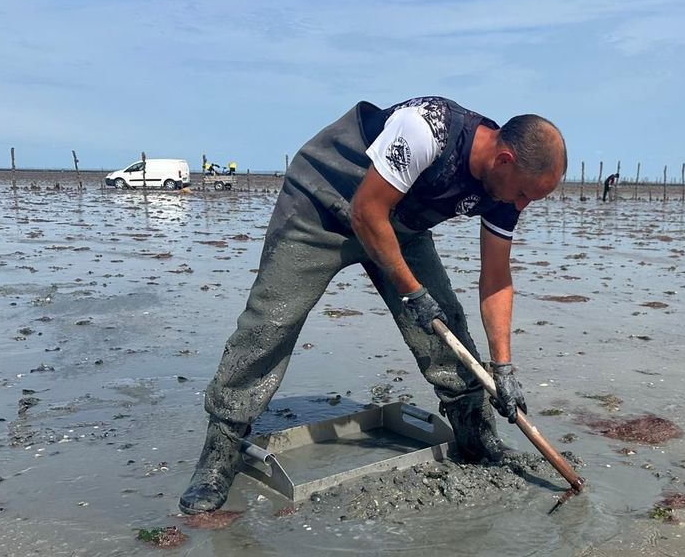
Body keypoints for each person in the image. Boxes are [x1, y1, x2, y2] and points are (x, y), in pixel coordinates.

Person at [179, 97, 567, 514]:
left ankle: (476, 436)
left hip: (399, 224)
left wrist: (502, 367)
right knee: (271, 322)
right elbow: (366, 211)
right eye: (525, 194)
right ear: (504, 159)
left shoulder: (505, 192)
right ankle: (221, 448)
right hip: (324, 203)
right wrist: (412, 293)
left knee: (446, 330)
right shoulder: (427, 130)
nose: (522, 205)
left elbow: (496, 278)